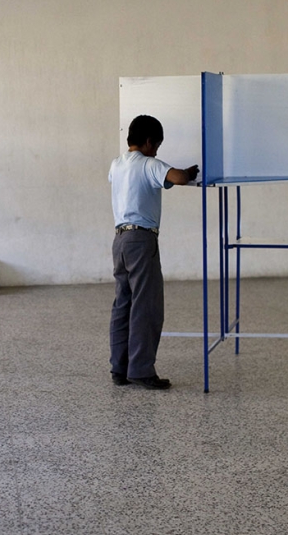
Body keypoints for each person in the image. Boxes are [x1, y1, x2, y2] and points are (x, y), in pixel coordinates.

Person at [108, 115, 199, 389]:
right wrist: (190, 172)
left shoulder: (117, 164)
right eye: (157, 145)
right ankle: (142, 370)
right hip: (141, 240)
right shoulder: (150, 164)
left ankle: (119, 369)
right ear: (149, 142)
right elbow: (178, 178)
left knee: (123, 305)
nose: (158, 151)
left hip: (120, 240)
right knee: (146, 307)